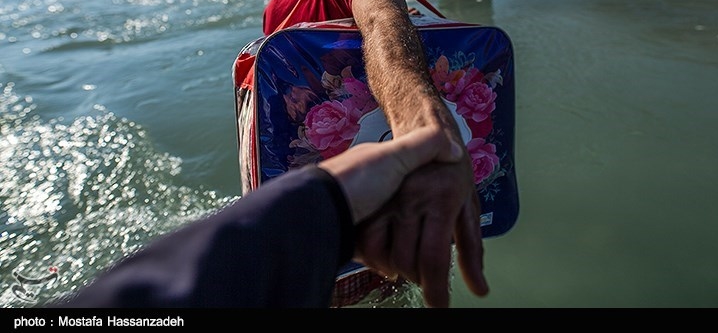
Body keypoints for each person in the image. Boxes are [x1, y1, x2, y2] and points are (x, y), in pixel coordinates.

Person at [261, 0, 484, 307]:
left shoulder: (279, 4)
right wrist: (423, 124)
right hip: (378, 208)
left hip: (317, 222)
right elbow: (382, 16)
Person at [51, 126, 488, 308]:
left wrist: (315, 203)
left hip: (297, 217)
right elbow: (378, 8)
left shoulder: (283, 0)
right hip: (347, 223)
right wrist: (427, 116)